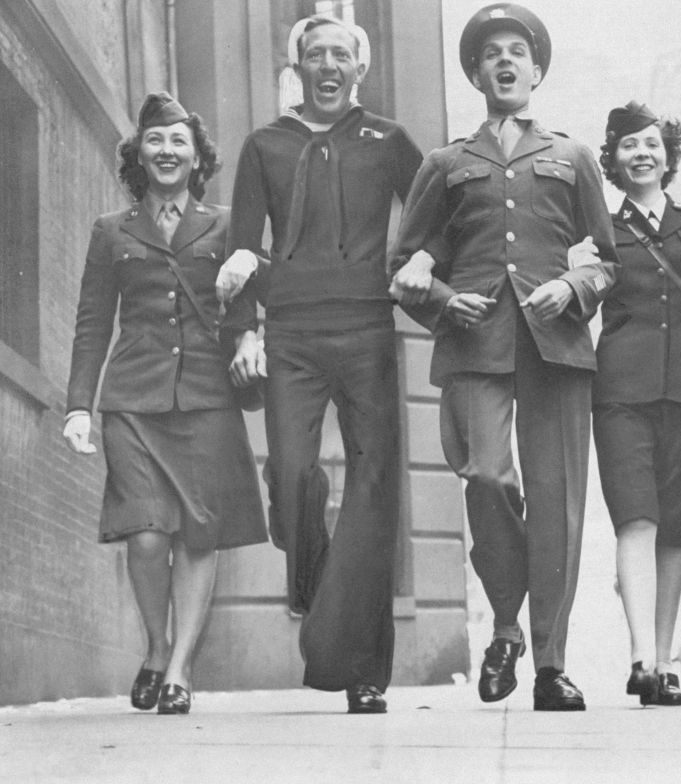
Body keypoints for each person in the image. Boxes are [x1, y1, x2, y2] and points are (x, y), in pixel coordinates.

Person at [388, 2, 618, 711]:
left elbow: (609, 260)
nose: (506, 62)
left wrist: (571, 287)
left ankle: (549, 662)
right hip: (474, 342)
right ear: (477, 73)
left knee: (558, 507)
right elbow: (401, 265)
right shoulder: (444, 163)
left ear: (537, 70)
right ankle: (509, 625)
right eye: (492, 54)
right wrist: (441, 300)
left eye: (518, 52)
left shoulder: (573, 157)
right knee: (486, 478)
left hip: (555, 347)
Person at [219, 14, 425, 714]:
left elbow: (435, 215)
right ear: (298, 68)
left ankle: (364, 670)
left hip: (368, 325)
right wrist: (244, 331)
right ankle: (318, 589)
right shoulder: (264, 145)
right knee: (292, 474)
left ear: (358, 69)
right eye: (316, 55)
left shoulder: (390, 140)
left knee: (373, 492)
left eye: (342, 54)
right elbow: (242, 247)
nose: (329, 65)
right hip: (291, 331)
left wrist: (418, 264)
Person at [62, 92, 267, 715]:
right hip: (133, 399)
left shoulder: (230, 226)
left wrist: (252, 334)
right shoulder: (110, 231)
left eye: (179, 141)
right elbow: (93, 323)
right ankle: (156, 645)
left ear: (195, 157)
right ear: (139, 155)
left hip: (206, 397)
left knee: (198, 537)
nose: (167, 151)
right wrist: (78, 406)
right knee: (147, 537)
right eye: (155, 140)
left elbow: (251, 304)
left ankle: (179, 670)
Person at [592, 101, 681, 706]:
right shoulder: (598, 226)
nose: (641, 154)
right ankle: (640, 659)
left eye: (651, 143)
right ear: (614, 160)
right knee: (637, 518)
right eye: (628, 145)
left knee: (676, 529)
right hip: (620, 391)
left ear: (667, 154)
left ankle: (666, 657)